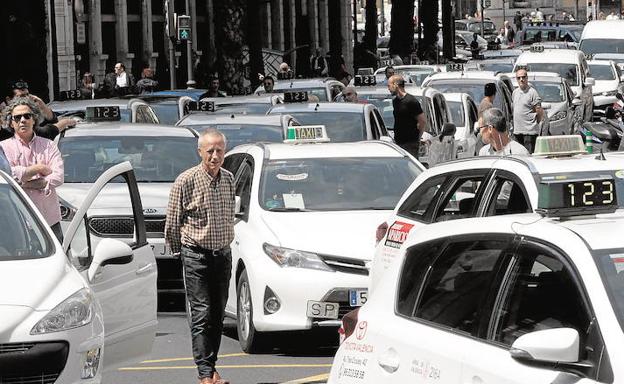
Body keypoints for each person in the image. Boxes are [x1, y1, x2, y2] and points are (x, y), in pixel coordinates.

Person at [164, 129, 235, 384]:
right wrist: (177, 252)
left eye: (219, 151)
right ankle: (204, 373)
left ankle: (212, 367)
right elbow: (172, 222)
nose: (215, 156)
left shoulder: (228, 179)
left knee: (217, 314)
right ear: (200, 152)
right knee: (202, 313)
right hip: (196, 254)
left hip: (222, 255)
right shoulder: (186, 180)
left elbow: (230, 214)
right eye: (210, 151)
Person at [0, 97, 64, 241]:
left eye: (27, 116)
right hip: (18, 223)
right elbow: (7, 176)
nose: (23, 120)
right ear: (11, 122)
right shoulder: (2, 148)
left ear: (34, 119)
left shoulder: (49, 145)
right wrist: (39, 168)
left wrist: (24, 184)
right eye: (17, 117)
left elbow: (58, 177)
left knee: (59, 260)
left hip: (49, 220)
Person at [388, 75, 426, 157]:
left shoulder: (411, 101)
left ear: (396, 85)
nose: (388, 88)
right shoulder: (395, 101)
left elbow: (422, 121)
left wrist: (417, 138)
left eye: (389, 85)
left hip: (410, 144)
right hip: (398, 143)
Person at [512, 68, 545, 153]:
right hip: (517, 131)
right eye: (519, 78)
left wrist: (534, 123)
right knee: (518, 156)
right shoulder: (515, 92)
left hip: (529, 132)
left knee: (528, 156)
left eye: (523, 77)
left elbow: (539, 111)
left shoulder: (532, 92)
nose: (521, 80)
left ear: (527, 78)